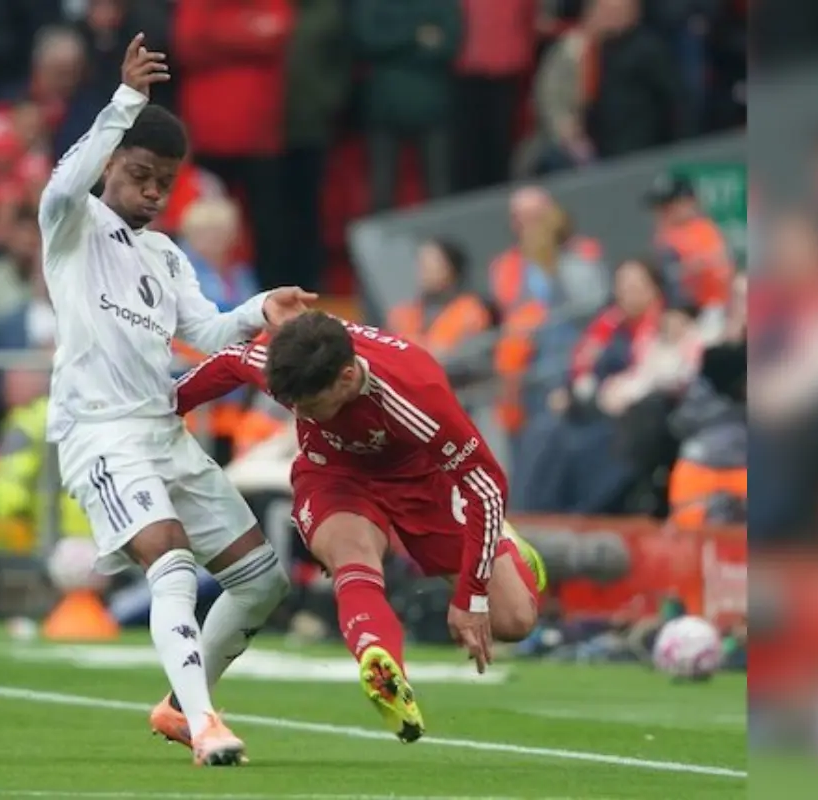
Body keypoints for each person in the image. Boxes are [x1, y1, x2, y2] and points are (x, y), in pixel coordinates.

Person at [39, 35, 313, 767]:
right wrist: (126, 100)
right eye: (140, 175)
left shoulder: (165, 256)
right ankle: (206, 724)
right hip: (101, 434)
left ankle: (178, 704)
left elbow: (207, 331)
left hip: (163, 433)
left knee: (261, 582)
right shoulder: (72, 226)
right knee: (170, 562)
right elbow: (63, 185)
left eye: (165, 182)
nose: (154, 192)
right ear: (110, 165)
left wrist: (259, 307)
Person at [174, 311, 547, 742]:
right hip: (333, 474)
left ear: (347, 378)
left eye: (312, 406)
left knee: (514, 620)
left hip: (420, 482)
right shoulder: (289, 362)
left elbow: (486, 485)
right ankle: (381, 662)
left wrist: (471, 596)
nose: (302, 414)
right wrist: (162, 410)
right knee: (351, 553)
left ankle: (504, 544)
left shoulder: (415, 396)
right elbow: (228, 362)